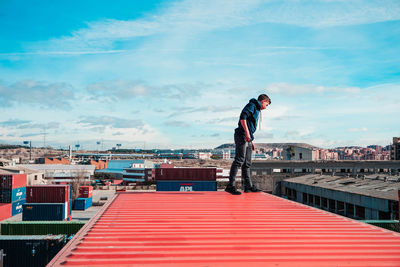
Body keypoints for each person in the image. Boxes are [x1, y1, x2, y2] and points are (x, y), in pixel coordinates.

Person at [225, 94, 271, 195]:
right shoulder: (252, 105)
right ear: (263, 101)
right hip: (242, 135)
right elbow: (243, 118)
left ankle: (248, 186)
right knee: (239, 160)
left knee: (247, 163)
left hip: (248, 138)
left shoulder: (257, 109)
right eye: (267, 105)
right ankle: (230, 186)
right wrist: (247, 133)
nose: (266, 107)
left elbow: (249, 125)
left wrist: (251, 141)